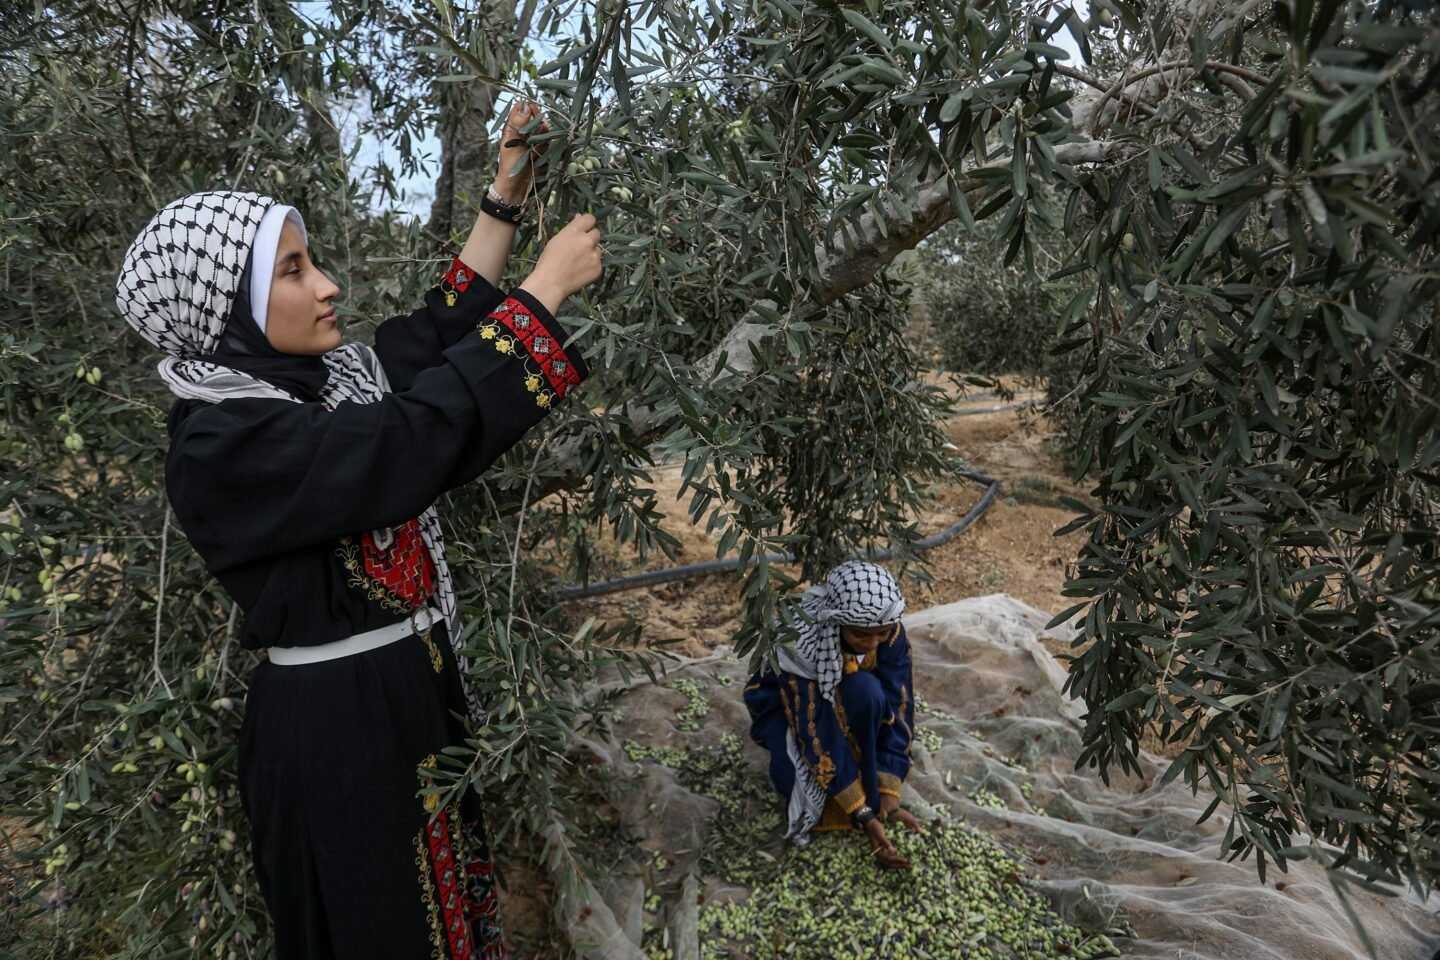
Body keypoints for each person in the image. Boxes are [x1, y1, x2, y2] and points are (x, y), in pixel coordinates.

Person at [114, 103, 598, 959]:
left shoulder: (326, 381)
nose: (328, 283)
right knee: (383, 927)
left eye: (314, 262)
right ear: (224, 305)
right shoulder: (222, 442)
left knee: (443, 911)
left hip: (405, 695)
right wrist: (544, 293)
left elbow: (437, 335)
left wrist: (506, 193)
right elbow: (403, 443)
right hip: (338, 736)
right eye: (293, 271)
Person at [744, 561, 922, 869]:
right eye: (860, 636)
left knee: (870, 693)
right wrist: (864, 813)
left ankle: (864, 768)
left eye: (880, 634)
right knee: (792, 778)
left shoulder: (888, 631)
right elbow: (814, 729)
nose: (871, 644)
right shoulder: (800, 645)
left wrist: (888, 795)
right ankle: (849, 789)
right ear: (836, 623)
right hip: (787, 705)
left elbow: (900, 704)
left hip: (849, 690)